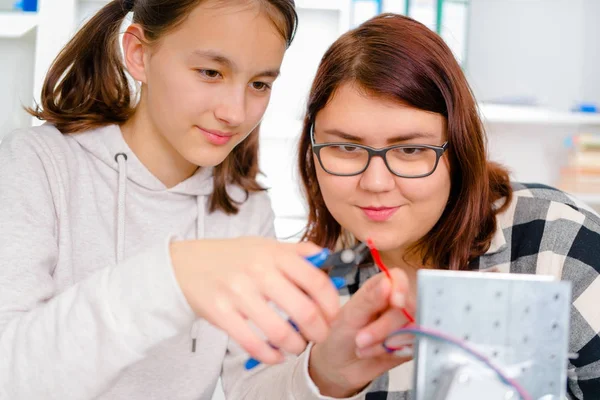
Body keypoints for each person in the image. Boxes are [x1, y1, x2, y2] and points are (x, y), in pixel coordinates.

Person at [0, 1, 346, 399]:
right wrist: (175, 275)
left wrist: (326, 374)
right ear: (138, 54)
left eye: (259, 84)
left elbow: (251, 386)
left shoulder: (246, 209)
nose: (235, 113)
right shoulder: (38, 166)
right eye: (211, 72)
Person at [288, 13, 600, 399]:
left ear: (459, 150)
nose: (376, 183)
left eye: (411, 150)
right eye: (347, 148)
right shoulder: (310, 293)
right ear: (312, 152)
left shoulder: (559, 245)